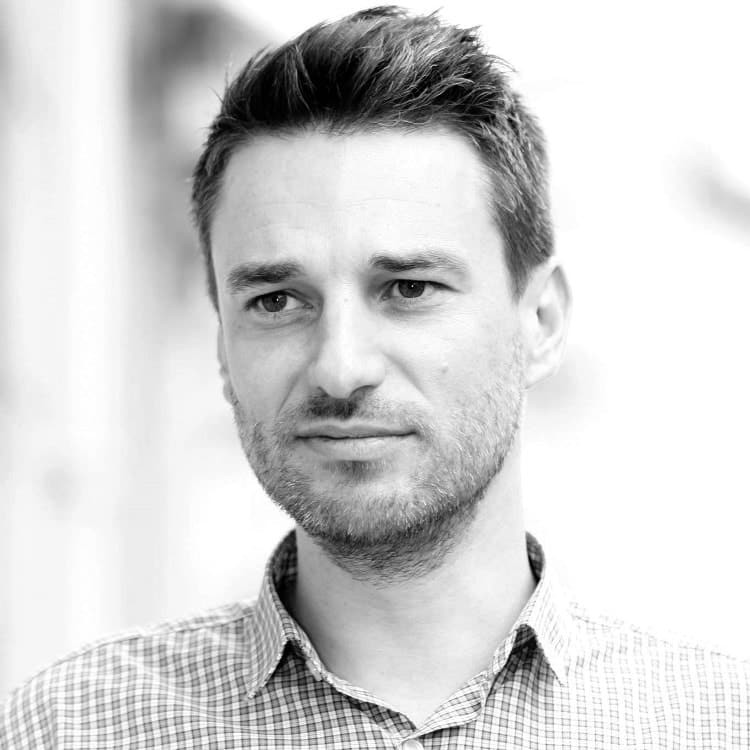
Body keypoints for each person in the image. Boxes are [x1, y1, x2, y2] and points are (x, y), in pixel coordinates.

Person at [2, 6, 749, 748]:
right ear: (223, 344)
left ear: (541, 320)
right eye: (277, 301)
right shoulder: (69, 728)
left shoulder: (716, 725)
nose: (340, 367)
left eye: (409, 288)